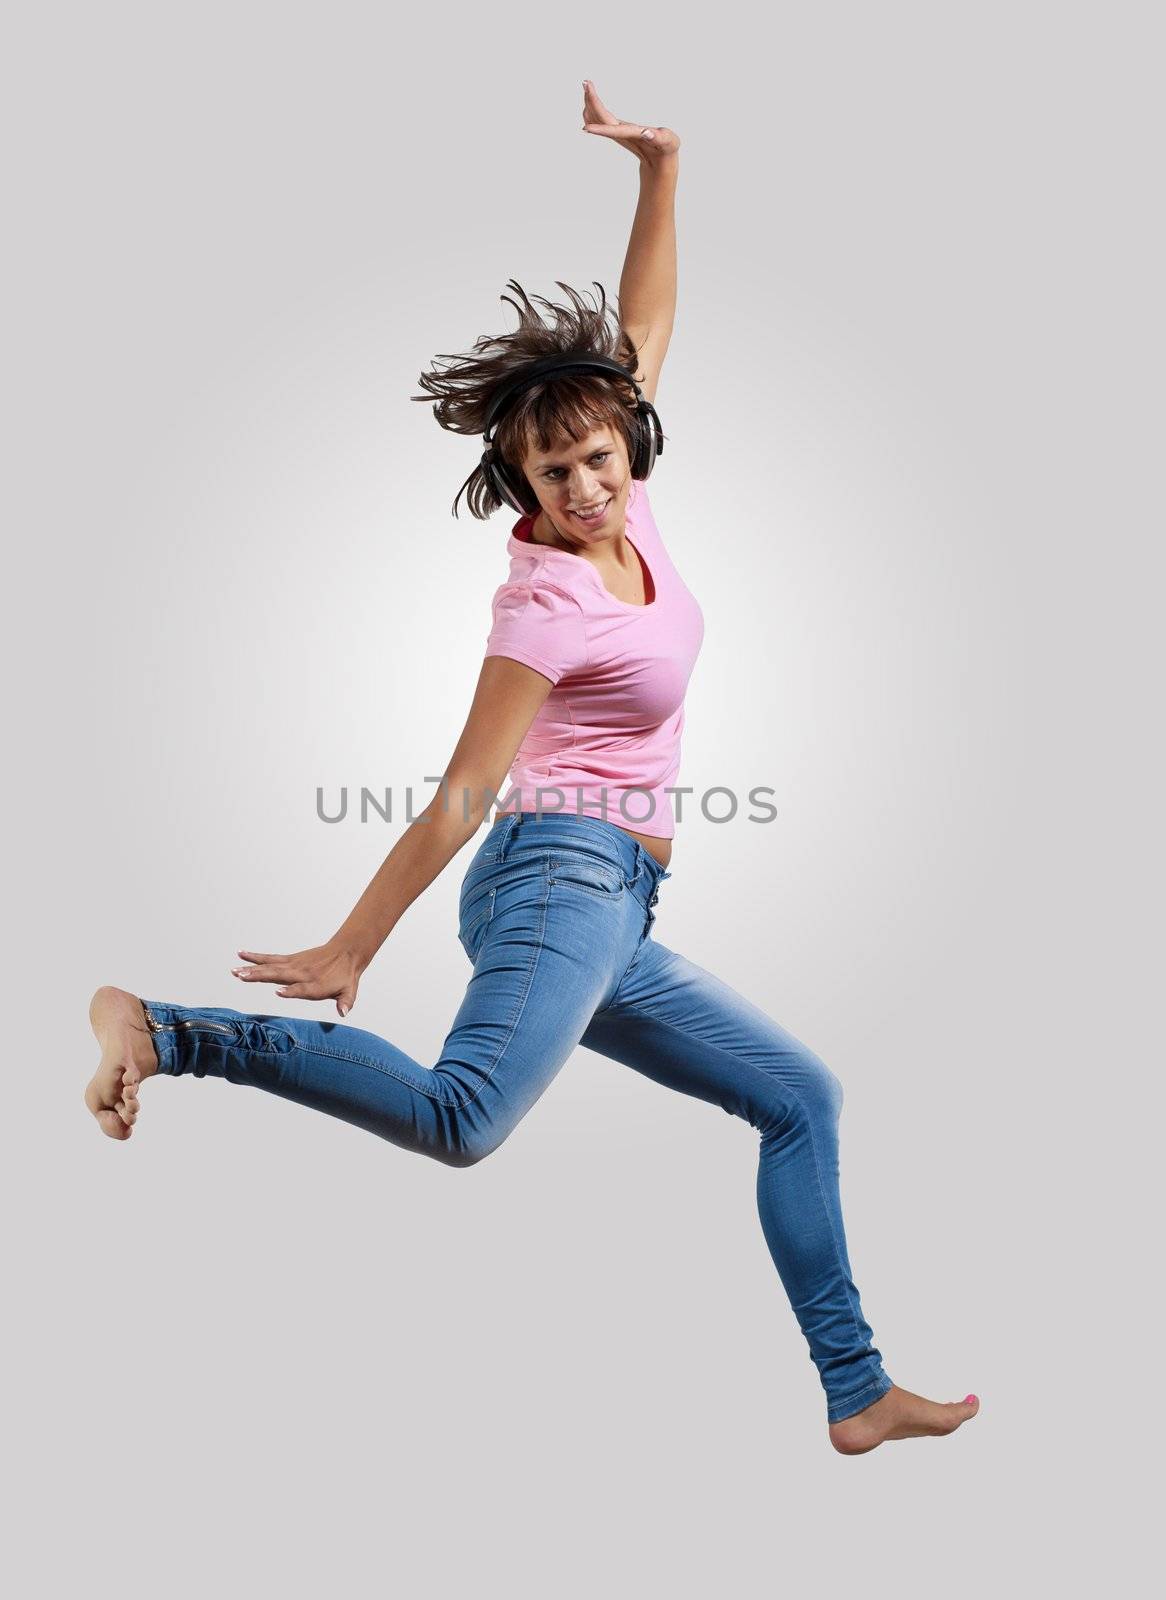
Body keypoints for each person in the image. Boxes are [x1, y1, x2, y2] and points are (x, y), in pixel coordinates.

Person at [85, 81, 979, 1454]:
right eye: (552, 472)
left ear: (630, 447)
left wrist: (660, 171)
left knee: (799, 1096)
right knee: (459, 1123)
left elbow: (648, 326)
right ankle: (169, 1028)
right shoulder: (541, 604)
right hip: (554, 875)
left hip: (618, 905)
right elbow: (460, 790)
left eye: (598, 457)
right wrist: (349, 943)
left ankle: (853, 1389)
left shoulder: (636, 513)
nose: (582, 485)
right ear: (521, 486)